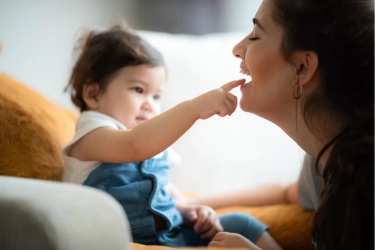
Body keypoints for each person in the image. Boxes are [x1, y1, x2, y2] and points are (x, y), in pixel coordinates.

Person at [61, 25, 282, 249]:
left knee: (241, 224)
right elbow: (134, 145)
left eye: (157, 96)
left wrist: (194, 212)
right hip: (127, 242)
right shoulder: (93, 132)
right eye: (138, 90)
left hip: (171, 236)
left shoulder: (152, 147)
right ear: (92, 94)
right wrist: (194, 108)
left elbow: (171, 199)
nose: (150, 104)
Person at [192, 0, 374, 249]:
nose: (237, 48)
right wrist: (194, 202)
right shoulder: (323, 165)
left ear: (302, 67)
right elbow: (289, 193)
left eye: (255, 36)